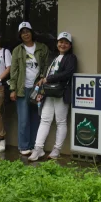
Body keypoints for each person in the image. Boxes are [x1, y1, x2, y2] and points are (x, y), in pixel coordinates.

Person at [29, 32, 78, 161]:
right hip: (49, 93)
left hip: (61, 93)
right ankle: (38, 149)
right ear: (57, 43)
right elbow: (46, 73)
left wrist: (48, 79)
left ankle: (56, 150)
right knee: (45, 120)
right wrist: (42, 80)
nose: (63, 44)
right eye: (61, 42)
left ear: (70, 45)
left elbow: (67, 73)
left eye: (66, 42)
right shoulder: (53, 57)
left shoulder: (71, 58)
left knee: (61, 121)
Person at [9, 22, 51, 156]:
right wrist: (12, 89)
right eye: (22, 32)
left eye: (27, 31)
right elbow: (14, 71)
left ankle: (35, 146)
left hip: (37, 88)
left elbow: (46, 65)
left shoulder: (42, 48)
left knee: (36, 118)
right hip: (22, 89)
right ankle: (23, 146)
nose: (25, 34)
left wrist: (43, 78)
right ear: (20, 35)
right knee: (23, 119)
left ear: (32, 32)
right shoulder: (17, 50)